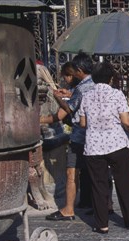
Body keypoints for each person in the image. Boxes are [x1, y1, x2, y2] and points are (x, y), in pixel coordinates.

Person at [78, 61, 129, 233]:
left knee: (98, 186)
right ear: (111, 78)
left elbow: (83, 123)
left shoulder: (86, 96)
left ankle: (102, 224)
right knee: (125, 183)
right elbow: (126, 121)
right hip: (117, 144)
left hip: (94, 146)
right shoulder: (117, 94)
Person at [43, 52, 95, 222]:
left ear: (78, 71)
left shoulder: (81, 87)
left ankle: (68, 209)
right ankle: (100, 205)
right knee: (95, 173)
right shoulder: (95, 84)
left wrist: (58, 98)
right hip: (94, 136)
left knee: (71, 172)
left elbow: (68, 110)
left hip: (79, 136)